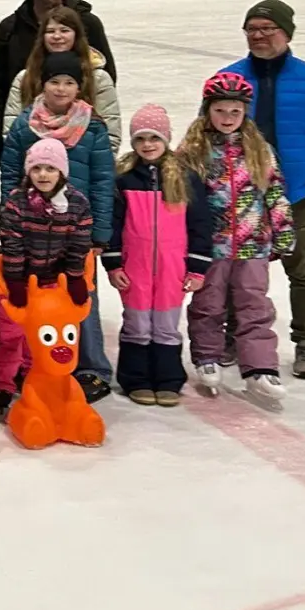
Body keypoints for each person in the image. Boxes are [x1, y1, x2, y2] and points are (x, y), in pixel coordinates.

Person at [220, 0, 305, 379]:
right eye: (251, 29)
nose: (258, 35)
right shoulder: (229, 79)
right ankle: (233, 333)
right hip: (243, 195)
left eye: (266, 28)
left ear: (286, 33)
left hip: (298, 196)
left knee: (304, 274)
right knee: (237, 271)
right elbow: (208, 135)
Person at [0, 50, 115, 401]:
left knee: (81, 296)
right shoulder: (25, 125)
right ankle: (34, 364)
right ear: (42, 84)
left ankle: (91, 368)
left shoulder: (92, 126)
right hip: (31, 227)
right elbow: (10, 175)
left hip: (76, 228)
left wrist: (100, 233)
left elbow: (103, 181)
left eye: (69, 82)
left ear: (79, 87)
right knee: (35, 298)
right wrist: (10, 218)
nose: (61, 89)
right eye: (54, 82)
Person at [182, 73, 295, 403]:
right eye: (220, 110)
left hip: (253, 245)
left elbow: (275, 192)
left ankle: (261, 367)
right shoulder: (193, 151)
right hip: (210, 247)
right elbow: (181, 199)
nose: (228, 118)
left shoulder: (259, 150)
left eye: (235, 111)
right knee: (208, 304)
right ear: (207, 110)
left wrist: (283, 232)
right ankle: (207, 357)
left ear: (245, 112)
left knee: (254, 305)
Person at [104, 105, 213, 407]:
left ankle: (168, 379)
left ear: (165, 138)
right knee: (137, 324)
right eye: (140, 139)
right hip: (135, 266)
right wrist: (113, 263)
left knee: (166, 324)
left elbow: (201, 225)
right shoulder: (124, 178)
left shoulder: (186, 178)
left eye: (154, 138)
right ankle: (135, 379)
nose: (147, 144)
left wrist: (197, 268)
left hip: (172, 266)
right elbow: (113, 223)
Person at [0, 139, 95, 416]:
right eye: (36, 169)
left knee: (40, 335)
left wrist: (74, 277)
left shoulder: (77, 204)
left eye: (50, 168)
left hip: (52, 284)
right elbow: (12, 243)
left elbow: (79, 243)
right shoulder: (17, 202)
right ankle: (1, 383)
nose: (43, 175)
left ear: (62, 172)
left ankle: (31, 375)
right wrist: (15, 281)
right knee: (8, 334)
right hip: (16, 280)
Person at [0, 0, 116, 165]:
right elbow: (0, 87)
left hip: (81, 147)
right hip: (31, 148)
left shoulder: (88, 23)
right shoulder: (11, 28)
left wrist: (103, 155)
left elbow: (105, 86)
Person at [0, 5, 122, 152]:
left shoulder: (98, 78)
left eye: (64, 30)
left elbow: (110, 133)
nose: (57, 36)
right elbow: (11, 131)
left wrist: (103, 162)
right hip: (36, 162)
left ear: (77, 35)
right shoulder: (24, 78)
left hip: (84, 161)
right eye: (50, 31)